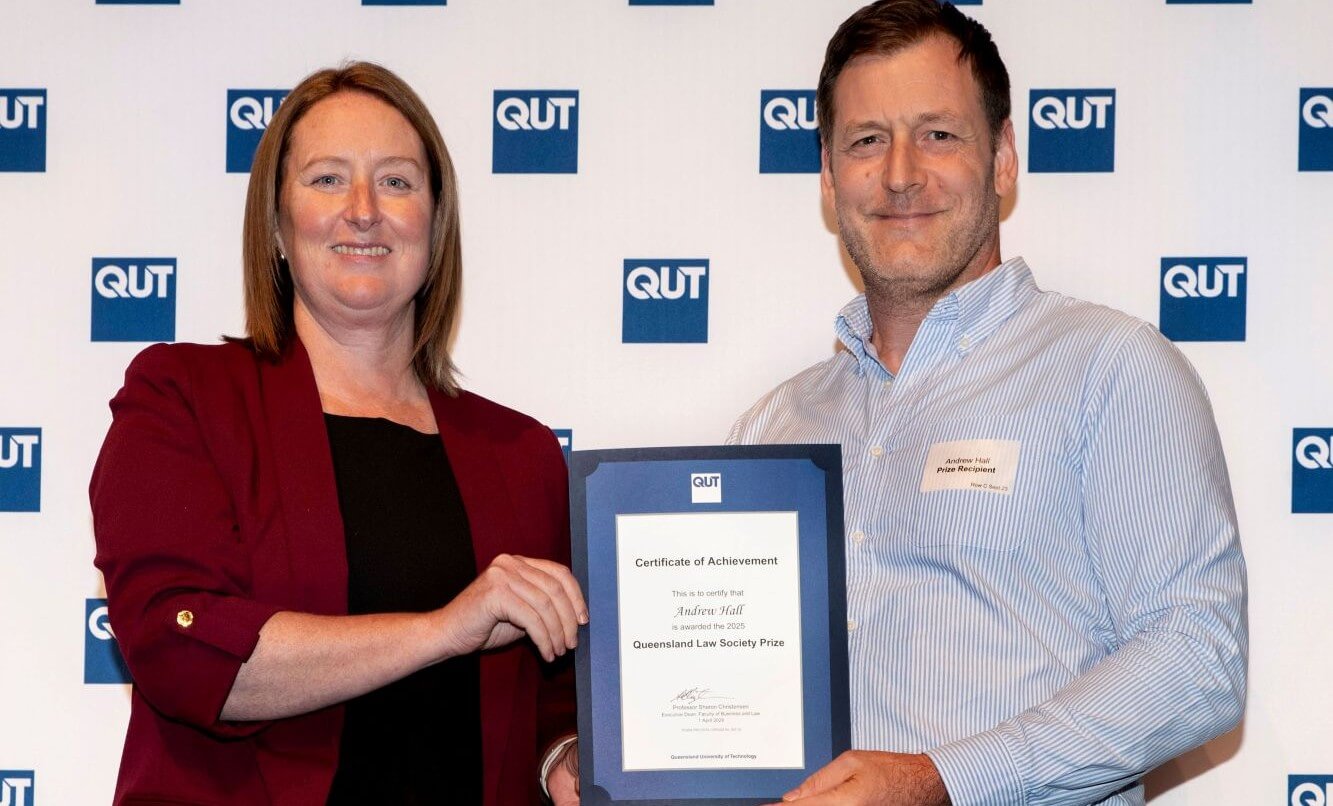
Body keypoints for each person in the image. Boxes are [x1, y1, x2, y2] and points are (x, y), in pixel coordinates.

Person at [728, 3, 1247, 804]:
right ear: (828, 177)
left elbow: (1196, 657)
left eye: (937, 134)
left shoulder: (1109, 370)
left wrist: (943, 781)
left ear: (1002, 158)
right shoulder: (773, 426)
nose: (900, 174)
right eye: (866, 141)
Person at [90, 62, 583, 805]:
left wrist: (565, 756)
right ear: (276, 225)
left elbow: (555, 694)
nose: (363, 211)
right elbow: (181, 649)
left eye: (396, 182)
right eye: (327, 179)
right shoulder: (184, 399)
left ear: (435, 224)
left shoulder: (523, 455)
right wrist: (444, 628)